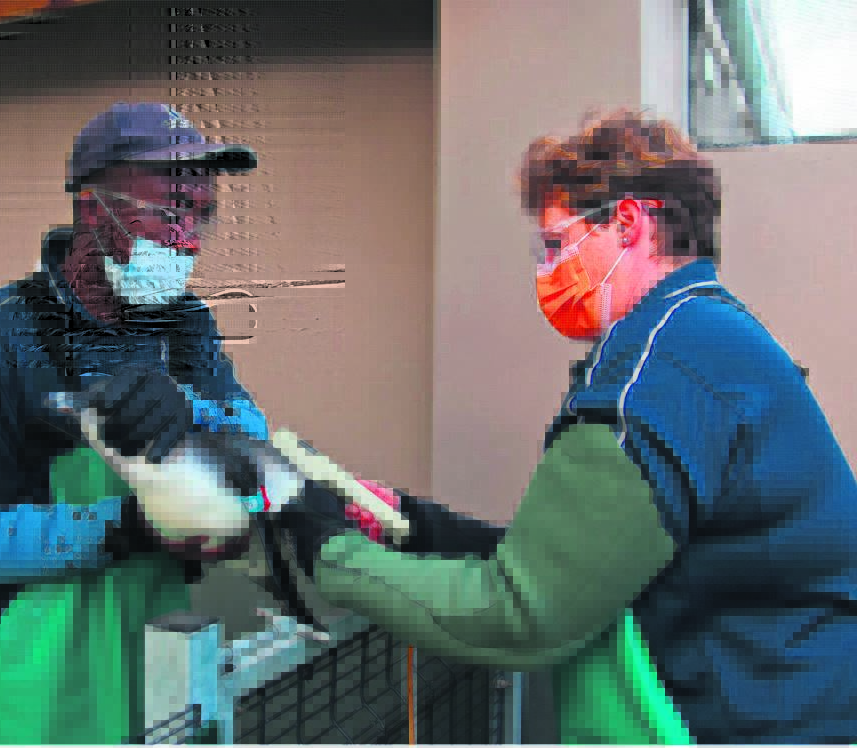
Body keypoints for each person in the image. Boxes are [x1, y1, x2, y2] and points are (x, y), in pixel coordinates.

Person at [271, 109, 857, 743]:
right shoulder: (709, 333)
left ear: (629, 224)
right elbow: (589, 561)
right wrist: (417, 525)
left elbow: (526, 613)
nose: (546, 269)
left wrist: (326, 549)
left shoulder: (661, 368)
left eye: (556, 244)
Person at [0, 102, 271, 745]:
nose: (187, 239)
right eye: (169, 212)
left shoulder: (184, 325)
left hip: (159, 657)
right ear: (92, 209)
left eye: (201, 215)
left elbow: (252, 441)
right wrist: (133, 526)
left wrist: (192, 408)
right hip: (41, 679)